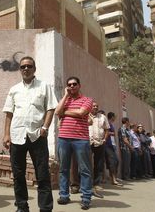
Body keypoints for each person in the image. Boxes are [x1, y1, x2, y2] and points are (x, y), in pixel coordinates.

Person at [3, 56, 56, 212]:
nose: (26, 69)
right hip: (17, 135)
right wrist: (6, 135)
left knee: (43, 174)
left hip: (37, 136)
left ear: (34, 68)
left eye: (29, 66)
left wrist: (45, 128)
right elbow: (8, 113)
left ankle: (45, 208)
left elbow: (51, 108)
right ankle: (22, 206)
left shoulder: (44, 86)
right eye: (23, 67)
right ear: (20, 69)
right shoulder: (14, 89)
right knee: (18, 175)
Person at [55, 76, 93, 210]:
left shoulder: (87, 100)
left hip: (81, 140)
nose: (72, 87)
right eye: (69, 85)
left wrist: (64, 112)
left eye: (74, 84)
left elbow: (81, 112)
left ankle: (86, 198)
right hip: (63, 139)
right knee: (63, 169)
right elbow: (57, 111)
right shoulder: (65, 100)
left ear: (79, 85)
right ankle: (64, 196)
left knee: (84, 170)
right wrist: (65, 96)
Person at [104, 112, 122, 186]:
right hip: (106, 145)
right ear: (112, 117)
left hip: (111, 145)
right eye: (114, 117)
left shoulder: (111, 124)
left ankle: (114, 177)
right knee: (112, 162)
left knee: (115, 161)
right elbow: (105, 132)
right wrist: (111, 133)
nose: (115, 118)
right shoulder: (107, 123)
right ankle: (113, 179)